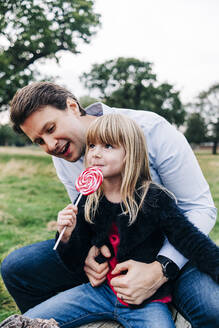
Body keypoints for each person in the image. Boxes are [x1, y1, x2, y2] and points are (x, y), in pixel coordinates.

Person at [0, 82, 218, 326]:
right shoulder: (63, 153)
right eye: (39, 141)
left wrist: (161, 269)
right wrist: (86, 250)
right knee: (17, 267)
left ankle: (169, 305)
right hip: (115, 250)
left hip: (173, 242)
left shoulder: (151, 129)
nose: (50, 145)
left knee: (213, 308)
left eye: (50, 128)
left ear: (72, 107)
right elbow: (87, 214)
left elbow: (200, 209)